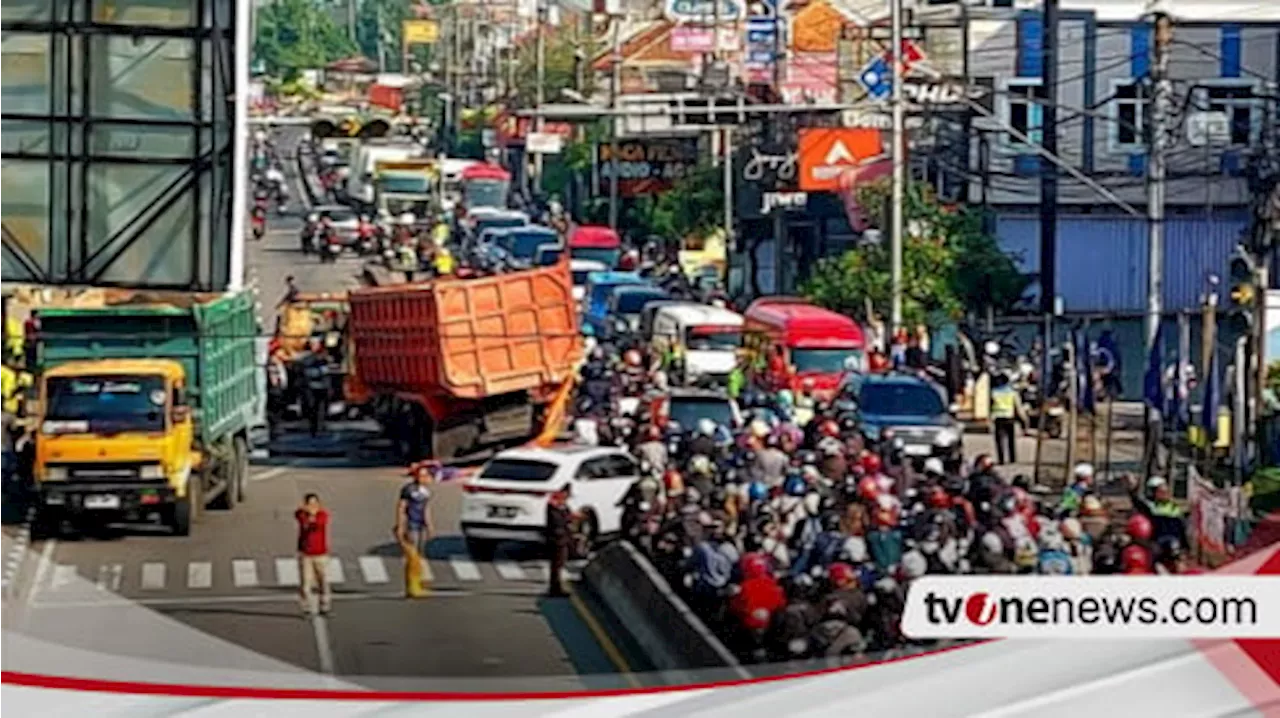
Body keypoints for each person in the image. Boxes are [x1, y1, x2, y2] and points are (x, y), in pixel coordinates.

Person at [396, 463, 436, 598]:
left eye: (426, 475)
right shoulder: (408, 489)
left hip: (420, 525)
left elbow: (426, 509)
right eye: (421, 475)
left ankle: (417, 584)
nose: (424, 478)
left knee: (419, 555)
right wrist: (400, 525)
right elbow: (401, 508)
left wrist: (429, 526)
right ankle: (411, 586)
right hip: (410, 524)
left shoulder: (425, 492)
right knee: (412, 556)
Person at [296, 493, 331, 616]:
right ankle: (307, 607)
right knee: (305, 583)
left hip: (320, 554)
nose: (312, 506)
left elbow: (318, 525)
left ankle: (324, 605)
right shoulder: (301, 514)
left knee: (323, 581)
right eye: (309, 504)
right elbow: (303, 522)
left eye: (314, 503)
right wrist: (309, 515)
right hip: (306, 555)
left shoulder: (323, 515)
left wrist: (313, 516)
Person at [989, 372, 1028, 464]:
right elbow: (1018, 407)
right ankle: (1012, 459)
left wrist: (989, 419)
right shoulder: (1012, 392)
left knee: (999, 440)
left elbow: (989, 407)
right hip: (1009, 418)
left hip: (998, 418)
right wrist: (1024, 420)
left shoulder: (993, 392)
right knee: (1011, 439)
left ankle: (1001, 459)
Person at [545, 484, 575, 598]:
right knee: (557, 565)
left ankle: (556, 587)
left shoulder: (561, 505)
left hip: (562, 538)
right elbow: (557, 522)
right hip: (557, 539)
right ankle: (555, 588)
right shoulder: (555, 505)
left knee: (559, 564)